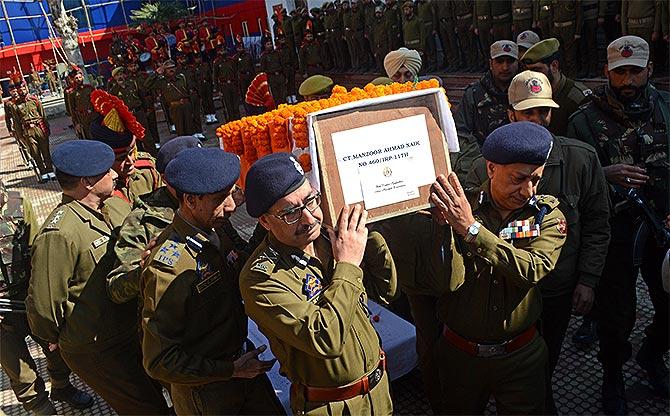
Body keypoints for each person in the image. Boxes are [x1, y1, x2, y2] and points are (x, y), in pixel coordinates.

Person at [465, 70, 611, 413]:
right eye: (528, 112)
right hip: (504, 292)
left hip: (557, 288)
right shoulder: (488, 164)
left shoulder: (581, 159)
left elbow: (597, 224)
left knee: (547, 362)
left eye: (544, 111)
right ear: (511, 113)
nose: (538, 119)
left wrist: (588, 280)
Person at [239, 153, 396, 415]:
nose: (309, 219)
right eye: (290, 213)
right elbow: (326, 339)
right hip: (332, 406)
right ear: (265, 221)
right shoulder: (261, 278)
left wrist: (371, 239)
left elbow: (386, 291)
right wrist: (347, 264)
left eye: (311, 201)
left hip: (378, 394)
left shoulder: (328, 237)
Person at [432, 122, 567, 414]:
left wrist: (471, 230)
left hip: (521, 357)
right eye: (519, 179)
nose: (528, 190)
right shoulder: (460, 206)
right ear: (491, 168)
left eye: (536, 179)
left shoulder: (546, 216)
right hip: (459, 356)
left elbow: (533, 268)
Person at [26, 140, 169, 415]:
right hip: (99, 347)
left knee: (157, 391)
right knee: (145, 408)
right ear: (87, 182)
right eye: (106, 171)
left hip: (132, 329)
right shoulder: (59, 234)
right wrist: (58, 338)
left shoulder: (114, 207)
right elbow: (43, 306)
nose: (115, 174)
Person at [567, 35, 669, 415]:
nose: (628, 81)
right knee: (616, 316)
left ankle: (652, 354)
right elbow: (569, 182)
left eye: (636, 72)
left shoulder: (667, 109)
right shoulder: (584, 120)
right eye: (620, 72)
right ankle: (613, 377)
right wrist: (603, 173)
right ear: (607, 72)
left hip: (662, 224)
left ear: (650, 70)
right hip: (613, 232)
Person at [140, 147, 285, 415]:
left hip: (242, 368)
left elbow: (241, 264)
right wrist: (230, 370)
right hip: (209, 394)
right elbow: (160, 361)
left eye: (232, 194)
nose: (231, 206)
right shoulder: (168, 269)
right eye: (221, 198)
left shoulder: (215, 226)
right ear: (191, 200)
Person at [1, 181, 94, 415]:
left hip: (29, 297)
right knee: (22, 374)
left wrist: (42, 296)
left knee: (57, 349)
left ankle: (61, 387)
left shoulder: (16, 204)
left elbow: (37, 250)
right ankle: (43, 410)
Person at [106, 136, 201, 304]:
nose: (196, 180)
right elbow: (116, 289)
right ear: (165, 178)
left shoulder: (210, 200)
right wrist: (145, 267)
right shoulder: (143, 220)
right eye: (187, 175)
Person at [88, 91, 161, 228]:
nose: (130, 161)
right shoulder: (95, 191)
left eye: (132, 152)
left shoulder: (147, 169)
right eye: (120, 158)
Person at [452, 40, 518, 180]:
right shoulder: (474, 94)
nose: (505, 67)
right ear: (491, 64)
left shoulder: (524, 91)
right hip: (482, 161)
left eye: (510, 61)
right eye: (499, 61)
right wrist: (480, 161)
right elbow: (461, 132)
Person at [521, 38, 592, 136]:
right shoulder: (529, 93)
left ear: (554, 66)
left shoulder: (577, 98)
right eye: (528, 71)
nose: (533, 76)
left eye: (537, 69)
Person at [9, 79, 54, 182]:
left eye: (23, 88)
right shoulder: (15, 105)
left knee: (45, 150)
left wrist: (47, 129)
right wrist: (20, 136)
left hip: (39, 128)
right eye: (20, 89)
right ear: (18, 91)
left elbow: (43, 115)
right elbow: (16, 122)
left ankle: (50, 171)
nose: (22, 90)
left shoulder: (34, 100)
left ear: (27, 88)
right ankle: (43, 173)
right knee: (35, 153)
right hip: (28, 131)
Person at [108, 67, 158, 157]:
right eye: (117, 75)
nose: (120, 77)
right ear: (114, 78)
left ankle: (155, 156)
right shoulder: (113, 91)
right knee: (134, 138)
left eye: (121, 74)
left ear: (124, 75)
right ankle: (141, 157)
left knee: (146, 136)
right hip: (127, 116)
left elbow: (142, 97)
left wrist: (147, 109)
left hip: (139, 113)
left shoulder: (133, 84)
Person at [145, 60, 196, 136]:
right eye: (168, 68)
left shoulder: (182, 77)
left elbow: (190, 90)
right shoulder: (161, 82)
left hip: (186, 105)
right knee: (180, 130)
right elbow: (146, 85)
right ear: (164, 70)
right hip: (175, 107)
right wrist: (156, 73)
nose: (171, 70)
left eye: (173, 67)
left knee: (190, 129)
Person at [549, 0, 583, 77]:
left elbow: (579, 15)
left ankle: (572, 77)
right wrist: (552, 30)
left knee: (570, 56)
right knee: (560, 55)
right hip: (556, 29)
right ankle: (563, 76)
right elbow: (551, 14)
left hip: (569, 28)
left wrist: (577, 32)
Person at [212, 46, 241, 122]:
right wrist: (218, 90)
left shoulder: (231, 60)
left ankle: (238, 120)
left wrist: (237, 85)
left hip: (232, 84)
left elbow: (235, 73)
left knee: (235, 104)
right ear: (218, 52)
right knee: (228, 105)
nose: (223, 52)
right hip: (224, 86)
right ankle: (231, 121)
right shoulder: (217, 62)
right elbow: (215, 77)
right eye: (221, 51)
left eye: (224, 50)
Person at [68, 67, 96, 139]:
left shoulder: (90, 88)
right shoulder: (72, 93)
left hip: (93, 116)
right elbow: (72, 109)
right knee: (87, 138)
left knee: (96, 135)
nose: (79, 79)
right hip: (82, 119)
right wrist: (76, 123)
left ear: (83, 77)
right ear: (73, 79)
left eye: (80, 77)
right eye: (76, 78)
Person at [260, 38, 290, 106]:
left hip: (280, 75)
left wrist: (285, 76)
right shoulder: (264, 56)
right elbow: (263, 69)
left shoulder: (277, 53)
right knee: (276, 95)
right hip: (271, 77)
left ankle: (285, 108)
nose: (270, 45)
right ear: (265, 46)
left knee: (283, 94)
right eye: (268, 44)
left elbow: (283, 64)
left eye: (270, 44)